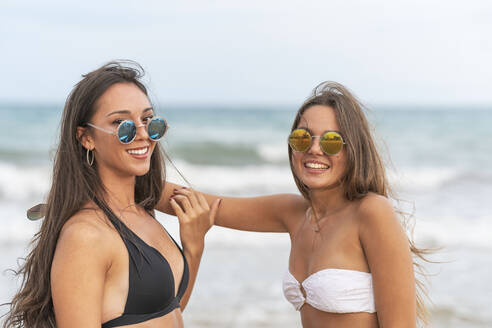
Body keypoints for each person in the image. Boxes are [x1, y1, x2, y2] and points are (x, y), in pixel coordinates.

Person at [159, 82, 429, 328]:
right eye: (302, 137)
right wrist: (125, 176)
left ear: (353, 149)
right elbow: (200, 204)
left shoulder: (372, 212)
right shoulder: (293, 213)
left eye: (331, 141)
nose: (314, 149)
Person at [2, 61, 220, 328]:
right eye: (122, 124)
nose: (143, 135)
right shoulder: (85, 236)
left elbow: (167, 312)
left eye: (149, 121)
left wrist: (194, 247)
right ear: (86, 138)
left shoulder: (141, 212)